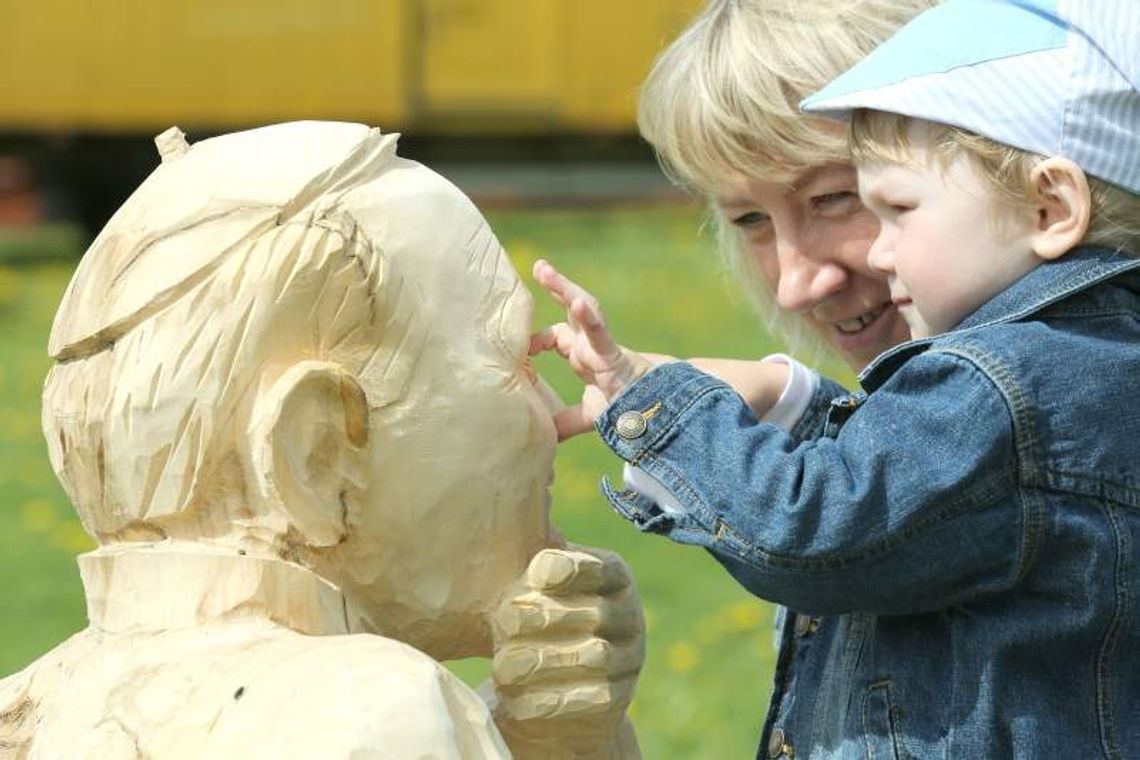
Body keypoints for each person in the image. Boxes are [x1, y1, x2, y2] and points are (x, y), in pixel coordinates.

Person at [532, 0, 1140, 757]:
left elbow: (824, 530)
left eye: (838, 198)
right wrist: (798, 409)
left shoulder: (1015, 385)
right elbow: (923, 492)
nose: (795, 283)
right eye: (748, 220)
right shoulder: (1084, 368)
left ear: (1049, 203)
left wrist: (660, 413)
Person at [0, 121, 644, 759]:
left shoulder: (31, 706)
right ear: (319, 451)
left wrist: (558, 740)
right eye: (514, 360)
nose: (555, 412)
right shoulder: (371, 714)